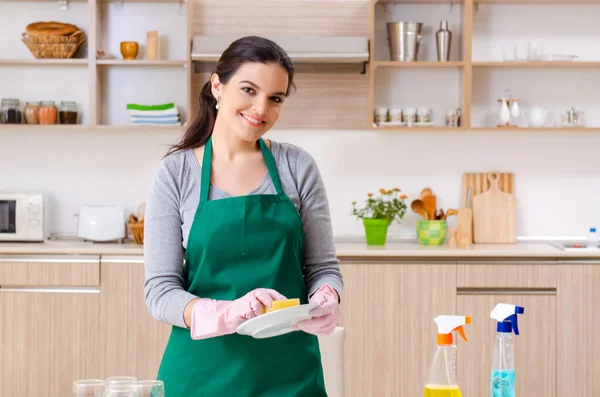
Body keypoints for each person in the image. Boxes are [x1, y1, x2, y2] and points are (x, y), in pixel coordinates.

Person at [143, 35, 343, 397]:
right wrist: (222, 313)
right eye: (249, 89)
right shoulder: (176, 173)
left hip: (290, 375)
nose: (260, 109)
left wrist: (328, 294)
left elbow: (322, 268)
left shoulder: (296, 166)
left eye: (275, 98)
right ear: (217, 86)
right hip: (200, 374)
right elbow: (160, 291)